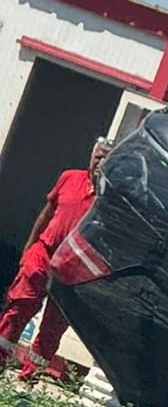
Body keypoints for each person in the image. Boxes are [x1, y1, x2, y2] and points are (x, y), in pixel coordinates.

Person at [0, 138, 111, 380]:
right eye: (98, 156)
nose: (100, 162)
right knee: (19, 306)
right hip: (43, 253)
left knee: (52, 327)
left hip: (73, 271)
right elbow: (47, 212)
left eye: (107, 158)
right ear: (91, 156)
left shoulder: (110, 199)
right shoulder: (69, 177)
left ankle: (29, 377)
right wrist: (29, 249)